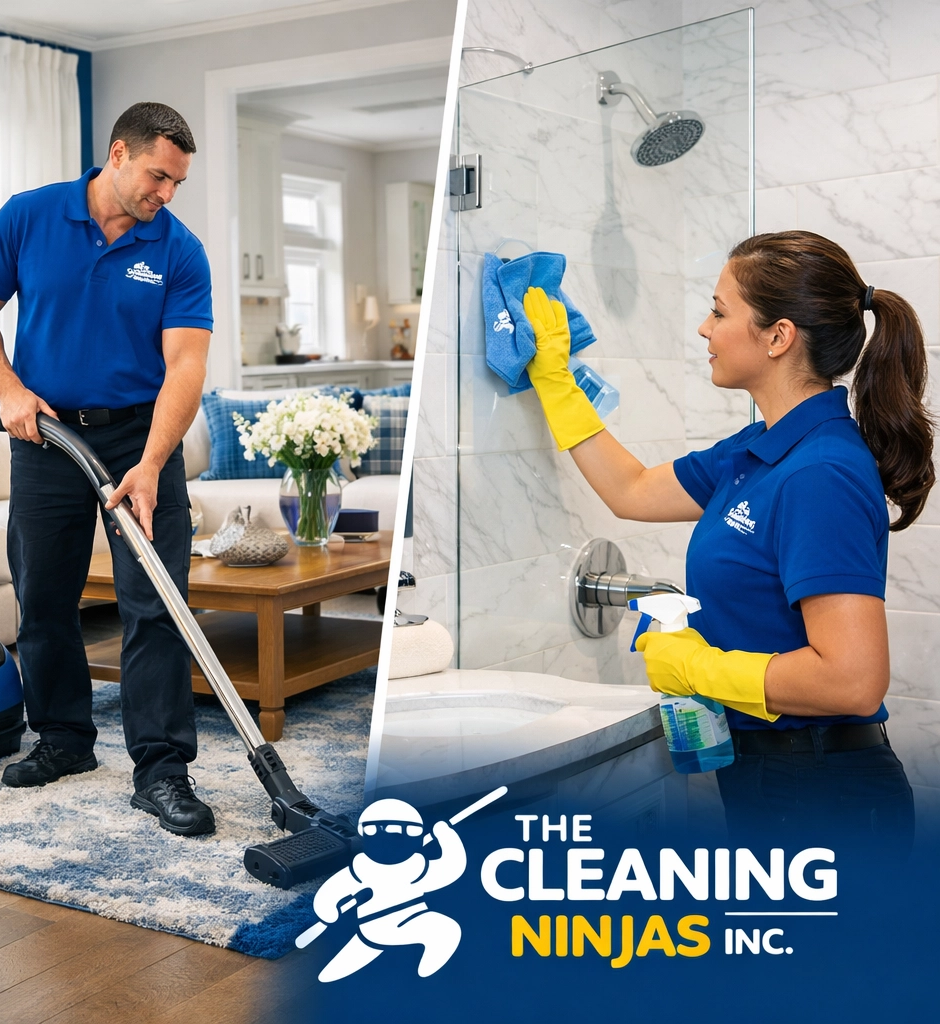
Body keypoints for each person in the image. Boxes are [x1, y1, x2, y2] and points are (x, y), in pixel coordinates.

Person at [522, 230, 931, 848]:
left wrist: (701, 667)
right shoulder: (757, 452)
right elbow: (630, 489)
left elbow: (853, 680)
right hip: (777, 779)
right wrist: (555, 380)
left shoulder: (819, 472)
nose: (704, 329)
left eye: (719, 311)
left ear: (777, 335)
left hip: (825, 792)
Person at [0, 102, 214, 835]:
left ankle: (162, 770)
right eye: (159, 175)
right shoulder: (29, 217)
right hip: (47, 436)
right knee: (42, 598)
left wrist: (155, 461)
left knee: (154, 601)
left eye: (177, 182)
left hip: (139, 435)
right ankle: (64, 739)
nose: (166, 193)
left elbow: (186, 365)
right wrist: (9, 390)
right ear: (119, 153)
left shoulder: (178, 250)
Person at [312, 799, 465, 982]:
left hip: (404, 920)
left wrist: (447, 836)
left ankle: (427, 973)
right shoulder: (365, 870)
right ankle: (427, 977)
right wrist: (446, 835)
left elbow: (451, 869)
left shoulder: (413, 867)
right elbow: (450, 868)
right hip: (380, 925)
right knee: (446, 930)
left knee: (446, 930)